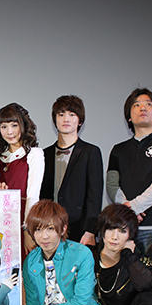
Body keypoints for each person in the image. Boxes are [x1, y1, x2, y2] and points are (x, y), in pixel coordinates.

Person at [106, 88, 152, 253]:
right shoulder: (118, 149)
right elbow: (112, 184)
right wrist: (128, 211)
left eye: (148, 104)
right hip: (123, 229)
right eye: (136, 105)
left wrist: (134, 207)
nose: (142, 108)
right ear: (129, 117)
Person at [40, 95, 103, 247]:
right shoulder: (44, 154)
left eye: (72, 114)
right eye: (61, 114)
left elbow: (94, 195)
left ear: (80, 121)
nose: (66, 119)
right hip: (48, 227)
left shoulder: (90, 152)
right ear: (55, 119)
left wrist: (90, 230)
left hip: (79, 229)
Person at [0, 102, 44, 254]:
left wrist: (28, 229)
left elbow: (33, 195)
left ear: (23, 126)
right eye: (4, 127)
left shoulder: (34, 154)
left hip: (22, 219)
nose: (9, 132)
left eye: (14, 125)